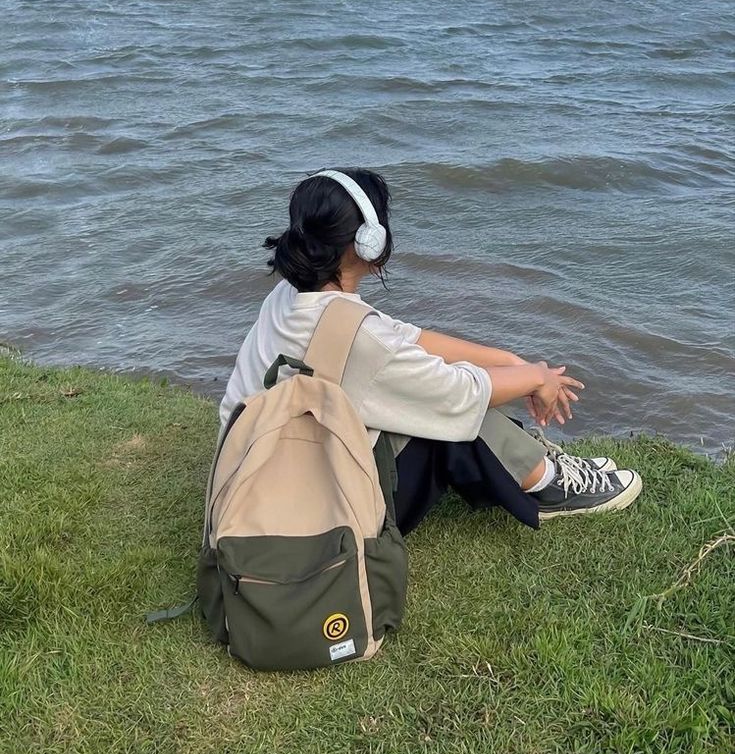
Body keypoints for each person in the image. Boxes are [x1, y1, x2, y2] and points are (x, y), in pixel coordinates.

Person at [220, 168, 642, 535]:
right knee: (449, 413)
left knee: (431, 390)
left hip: (248, 477)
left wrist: (512, 361)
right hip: (308, 515)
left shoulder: (293, 295)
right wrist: (537, 378)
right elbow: (460, 393)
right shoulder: (360, 339)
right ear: (369, 242)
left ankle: (533, 465)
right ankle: (549, 484)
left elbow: (406, 337)